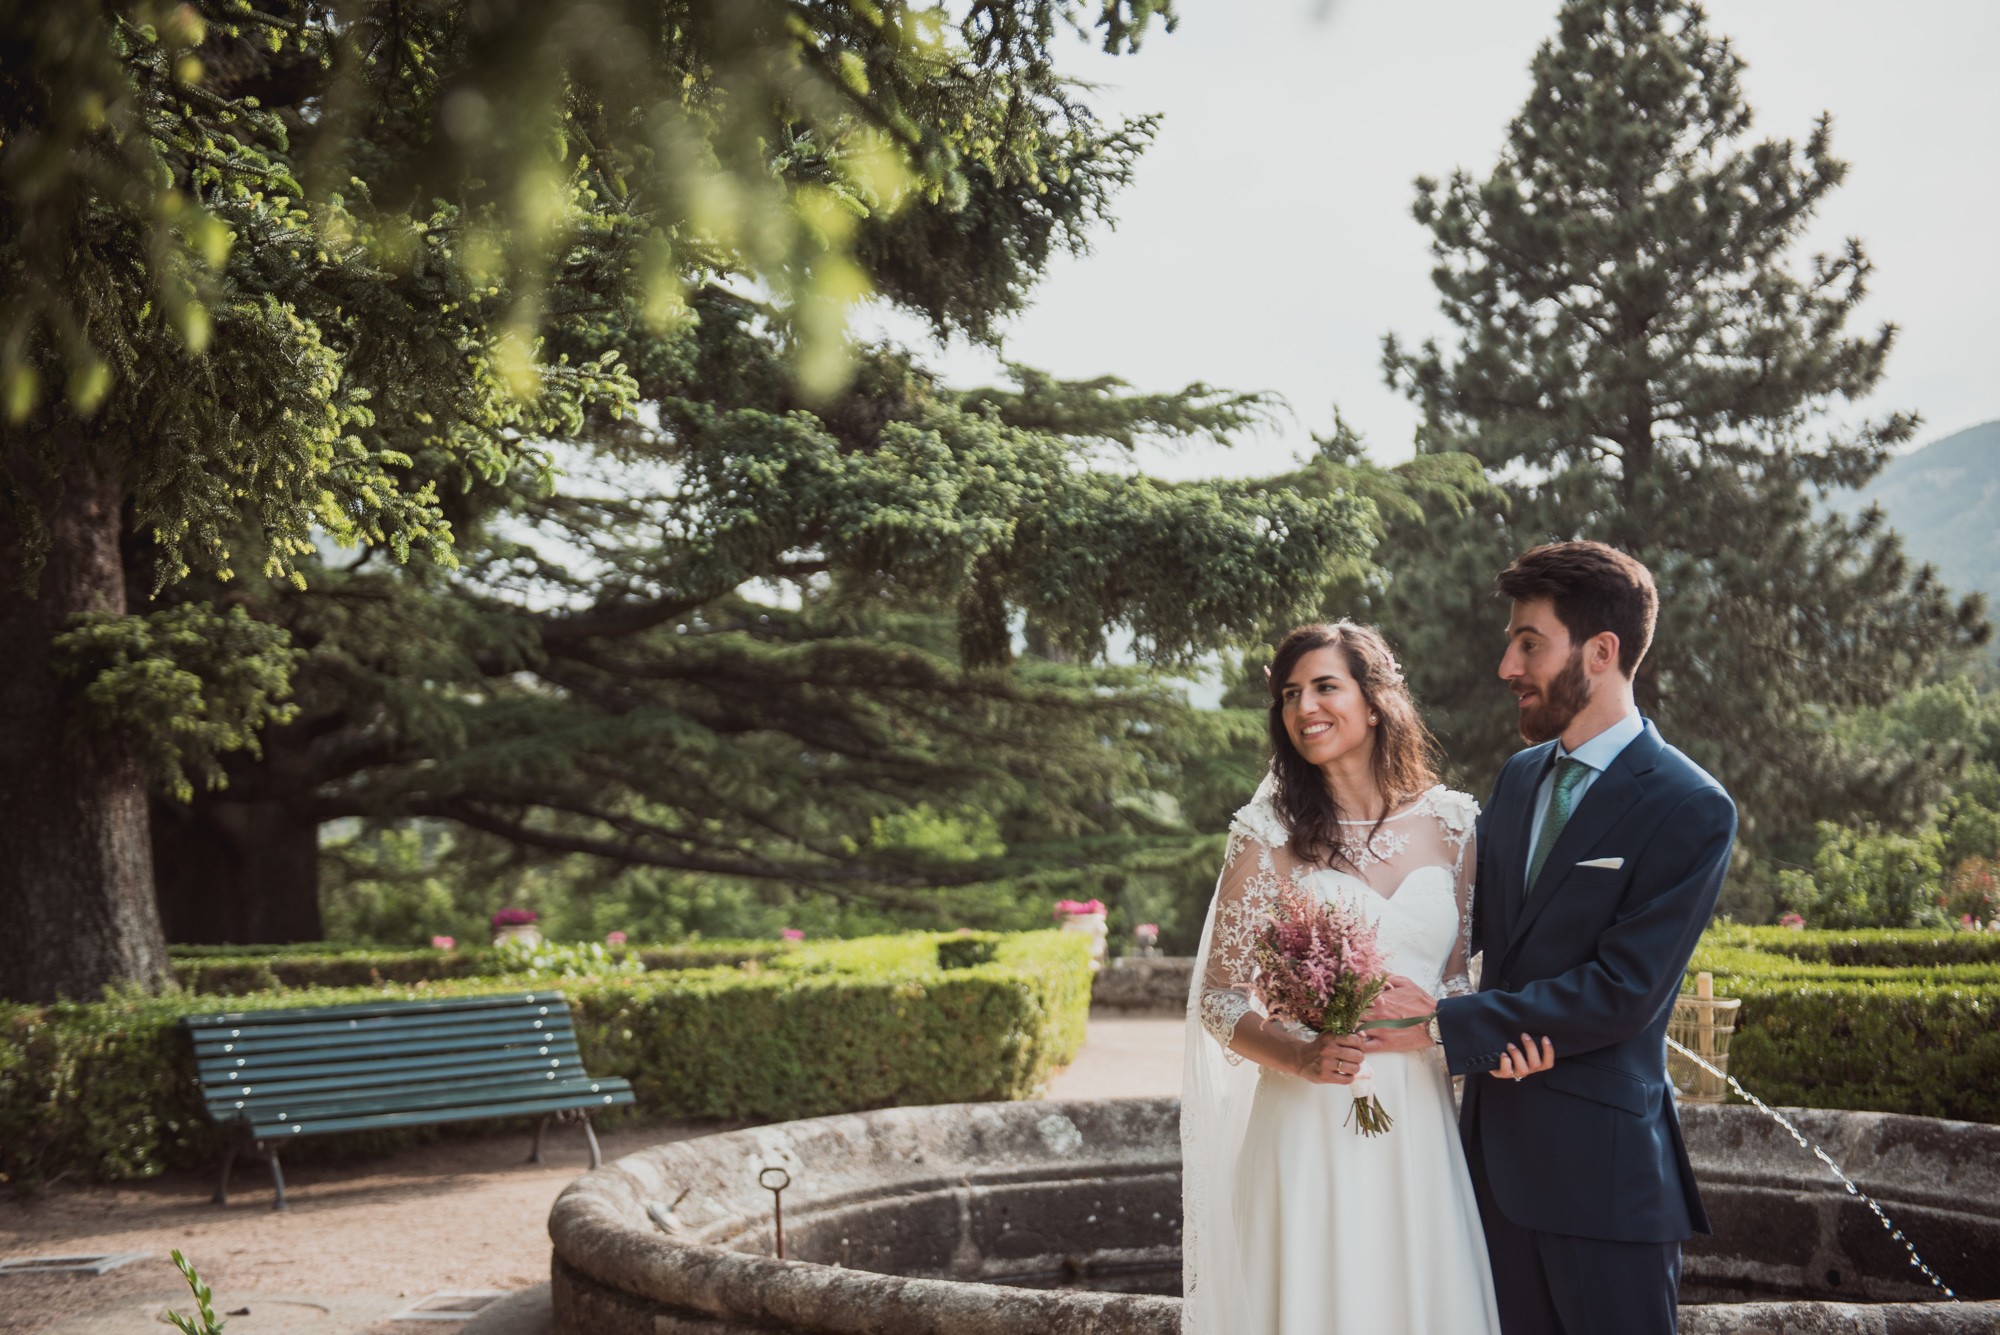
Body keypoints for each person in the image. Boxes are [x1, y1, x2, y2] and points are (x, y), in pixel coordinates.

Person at [1364, 541, 1737, 1335]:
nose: (1508, 664)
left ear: (1601, 652)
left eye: (1529, 641)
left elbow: (1625, 989)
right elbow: (1473, 939)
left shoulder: (1690, 804)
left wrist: (1445, 1026)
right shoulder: (1520, 776)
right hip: (1486, 1169)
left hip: (1604, 1181)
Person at [1181, 620, 1552, 1335]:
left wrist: (1474, 1040)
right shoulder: (1267, 835)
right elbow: (1219, 996)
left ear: (1375, 701)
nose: (1304, 707)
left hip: (1416, 1117)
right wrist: (1299, 1052)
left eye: (1325, 686)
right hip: (1306, 1119)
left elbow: (1453, 982)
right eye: (1290, 693)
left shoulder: (1453, 825)